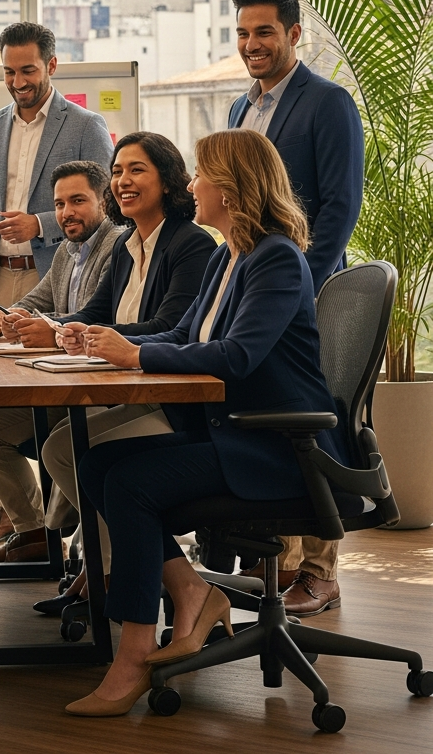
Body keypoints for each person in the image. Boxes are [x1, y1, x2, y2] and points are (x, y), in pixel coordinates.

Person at [64, 128, 348, 717]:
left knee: (131, 482)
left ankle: (136, 652)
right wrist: (108, 345)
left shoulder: (276, 258)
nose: (191, 184)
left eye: (200, 174)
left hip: (276, 447)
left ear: (232, 186)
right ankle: (194, 590)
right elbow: (183, 334)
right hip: (233, 433)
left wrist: (136, 356)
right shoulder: (229, 255)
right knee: (96, 463)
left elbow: (236, 354)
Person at [33, 132, 215, 612]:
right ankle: (114, 566)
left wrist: (107, 339)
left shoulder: (190, 243)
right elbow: (95, 314)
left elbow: (171, 327)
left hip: (171, 397)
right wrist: (55, 329)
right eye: (116, 171)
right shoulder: (127, 244)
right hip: (132, 390)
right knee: (61, 448)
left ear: (168, 180)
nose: (122, 180)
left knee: (77, 452)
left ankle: (116, 570)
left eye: (136, 170)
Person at [228, 0, 365, 616]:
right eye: (243, 33)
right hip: (250, 286)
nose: (252, 44)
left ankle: (318, 569)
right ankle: (278, 564)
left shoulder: (328, 102)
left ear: (293, 34)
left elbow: (339, 206)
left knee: (306, 414)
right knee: (269, 414)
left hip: (305, 289)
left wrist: (297, 279)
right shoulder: (237, 111)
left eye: (264, 32)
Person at [0, 160, 124, 561]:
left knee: (49, 437)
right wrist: (2, 317)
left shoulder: (117, 244)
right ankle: (32, 534)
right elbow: (38, 300)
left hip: (100, 391)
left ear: (104, 200)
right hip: (64, 386)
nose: (67, 212)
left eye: (78, 201)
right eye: (60, 203)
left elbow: (101, 318)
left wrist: (47, 326)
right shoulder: (67, 250)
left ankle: (111, 548)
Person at [0, 22, 113, 311]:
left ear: (51, 65)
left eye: (28, 70)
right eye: (9, 72)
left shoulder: (86, 126)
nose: (18, 82)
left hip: (54, 276)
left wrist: (38, 225)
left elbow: (107, 204)